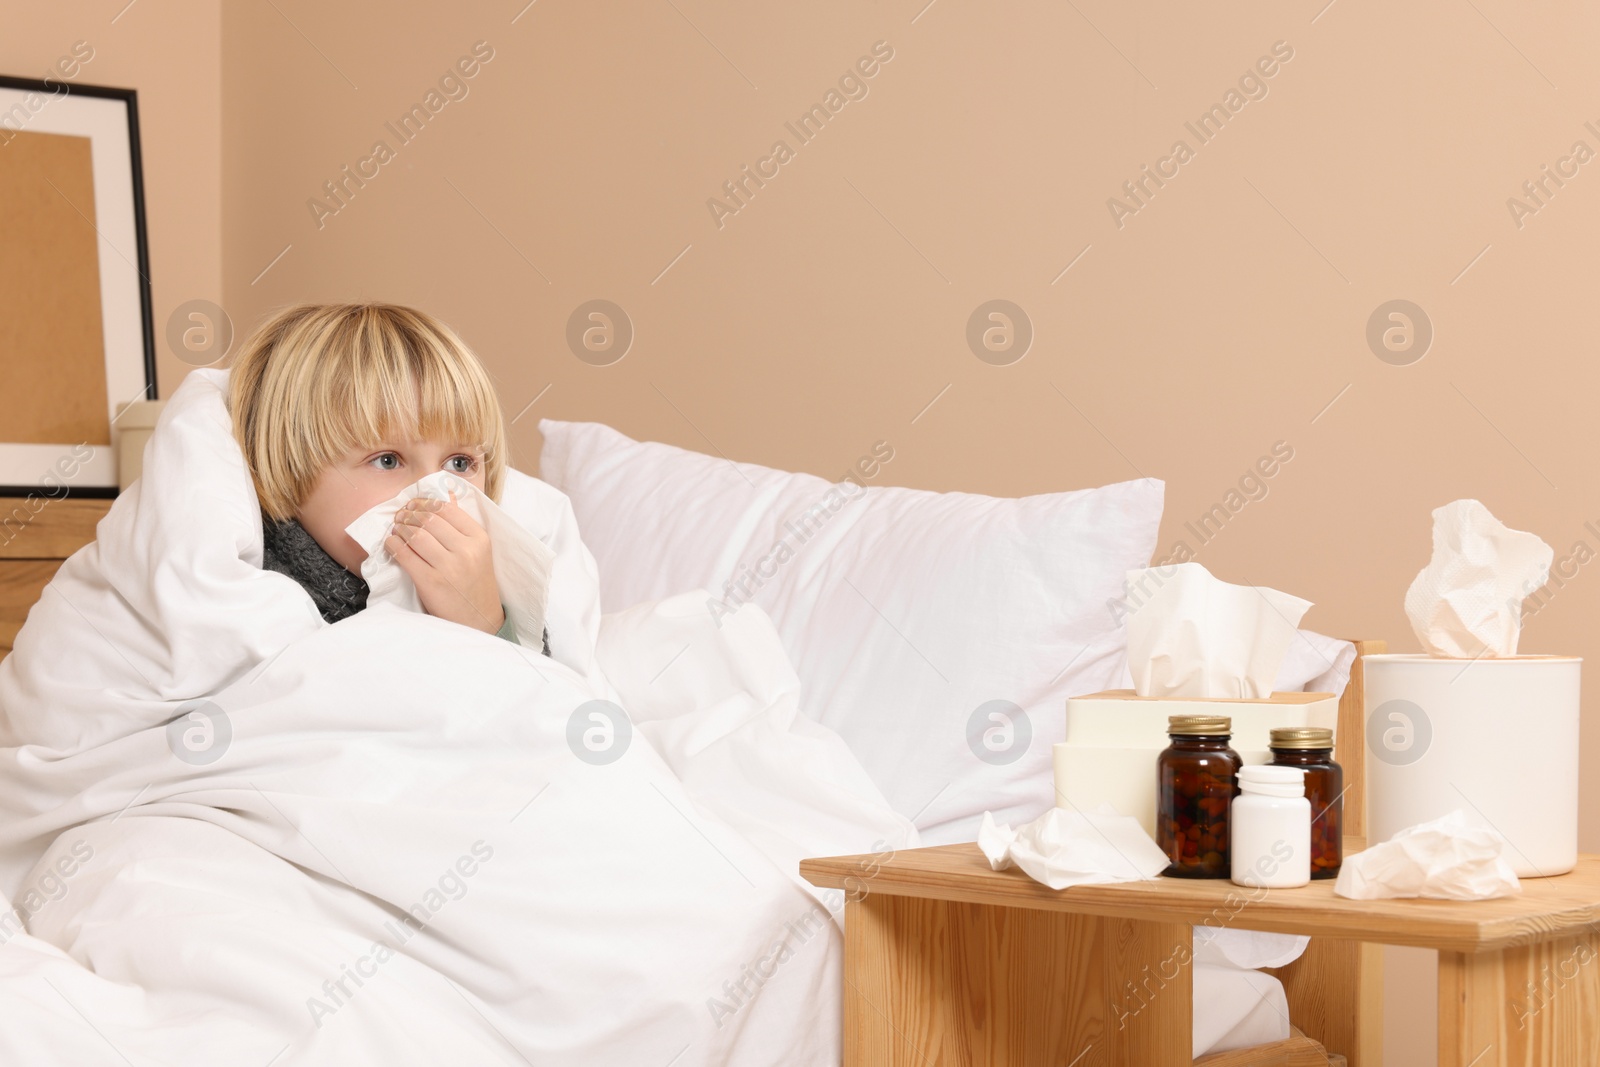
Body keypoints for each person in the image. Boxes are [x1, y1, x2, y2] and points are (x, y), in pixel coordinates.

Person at [226, 302, 549, 655]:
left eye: (459, 463)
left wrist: (485, 621)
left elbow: (534, 701)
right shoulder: (262, 600)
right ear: (288, 470)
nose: (436, 496)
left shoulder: (498, 587)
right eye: (387, 460)